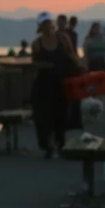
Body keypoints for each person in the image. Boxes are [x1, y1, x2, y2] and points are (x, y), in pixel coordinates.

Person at [31, 12, 81, 158]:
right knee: (45, 116)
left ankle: (60, 143)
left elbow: (72, 55)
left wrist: (79, 66)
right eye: (44, 24)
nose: (48, 26)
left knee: (62, 114)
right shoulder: (37, 43)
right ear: (40, 26)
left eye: (49, 23)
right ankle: (49, 145)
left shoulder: (63, 38)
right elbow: (34, 61)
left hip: (62, 82)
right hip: (44, 83)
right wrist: (46, 65)